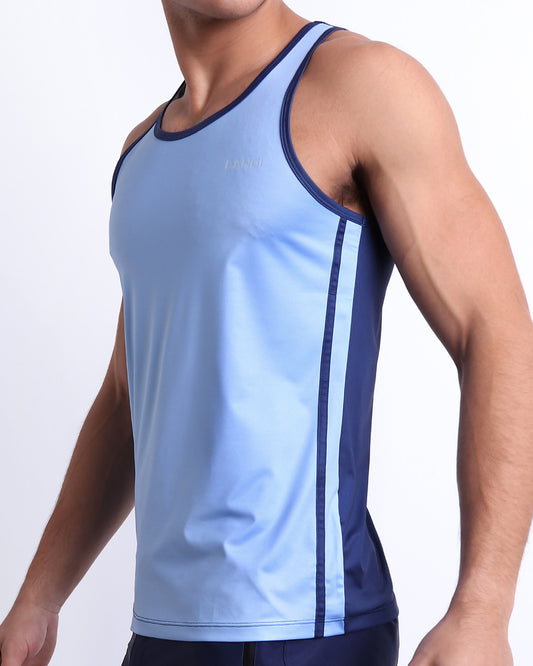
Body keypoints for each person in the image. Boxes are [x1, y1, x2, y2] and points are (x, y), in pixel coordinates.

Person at [1, 1, 532, 665]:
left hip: (309, 631)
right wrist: (40, 596)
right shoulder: (140, 155)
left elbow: (496, 329)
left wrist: (483, 609)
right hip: (162, 634)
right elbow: (127, 394)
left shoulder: (364, 86)